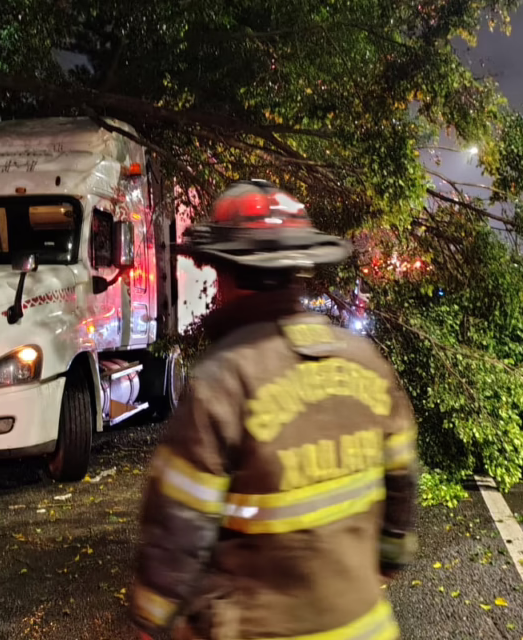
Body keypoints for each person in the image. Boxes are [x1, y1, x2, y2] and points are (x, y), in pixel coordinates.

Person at [130, 180, 419, 640]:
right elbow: (401, 489)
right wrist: (383, 560)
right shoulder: (366, 362)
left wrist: (152, 620)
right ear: (299, 272)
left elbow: (177, 534)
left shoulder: (223, 382)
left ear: (225, 272)